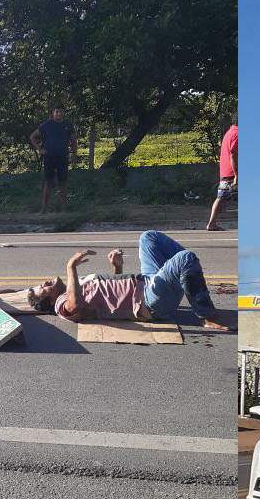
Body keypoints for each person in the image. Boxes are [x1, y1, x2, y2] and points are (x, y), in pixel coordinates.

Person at [12, 230, 231, 332]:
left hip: (146, 281)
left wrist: (116, 266)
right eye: (40, 289)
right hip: (150, 301)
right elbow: (75, 307)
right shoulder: (62, 305)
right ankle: (206, 315)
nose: (42, 283)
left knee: (148, 237)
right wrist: (71, 267)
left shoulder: (76, 288)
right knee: (185, 258)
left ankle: (190, 276)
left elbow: (112, 293)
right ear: (50, 301)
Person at [30, 106, 75, 214]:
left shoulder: (68, 125)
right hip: (49, 157)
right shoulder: (46, 125)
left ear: (63, 113)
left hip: (63, 157)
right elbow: (32, 137)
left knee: (63, 183)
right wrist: (39, 149)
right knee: (48, 183)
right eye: (56, 112)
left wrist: (74, 154)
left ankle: (64, 209)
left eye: (60, 112)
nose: (58, 114)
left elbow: (73, 140)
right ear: (53, 113)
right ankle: (44, 209)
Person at [207, 121, 237, 231]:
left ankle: (211, 223)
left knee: (221, 197)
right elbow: (233, 155)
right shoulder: (237, 134)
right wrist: (237, 174)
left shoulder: (229, 133)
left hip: (225, 171)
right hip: (232, 172)